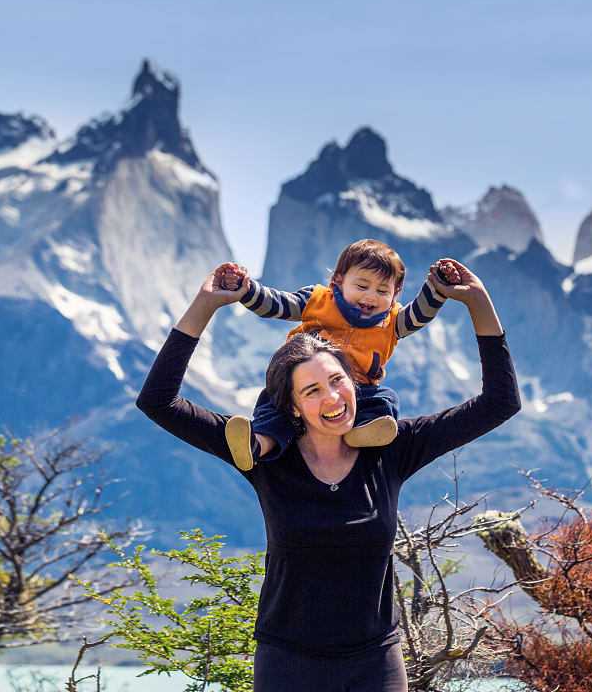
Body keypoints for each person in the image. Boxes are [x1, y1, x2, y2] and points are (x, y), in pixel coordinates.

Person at [136, 258, 520, 691]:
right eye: (313, 390)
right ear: (294, 405)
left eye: (338, 381)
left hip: (375, 661)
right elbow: (158, 402)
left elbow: (499, 403)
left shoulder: (391, 447)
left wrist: (478, 303)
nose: (333, 398)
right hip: (287, 661)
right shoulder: (263, 457)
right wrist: (205, 305)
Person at [217, 239, 456, 471]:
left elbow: (420, 315)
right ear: (338, 281)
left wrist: (437, 287)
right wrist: (246, 289)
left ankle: (363, 430)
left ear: (395, 294)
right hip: (299, 384)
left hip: (356, 390)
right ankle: (257, 444)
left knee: (385, 399)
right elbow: (276, 304)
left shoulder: (393, 321)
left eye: (383, 290)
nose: (371, 296)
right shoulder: (318, 300)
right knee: (275, 409)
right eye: (362, 286)